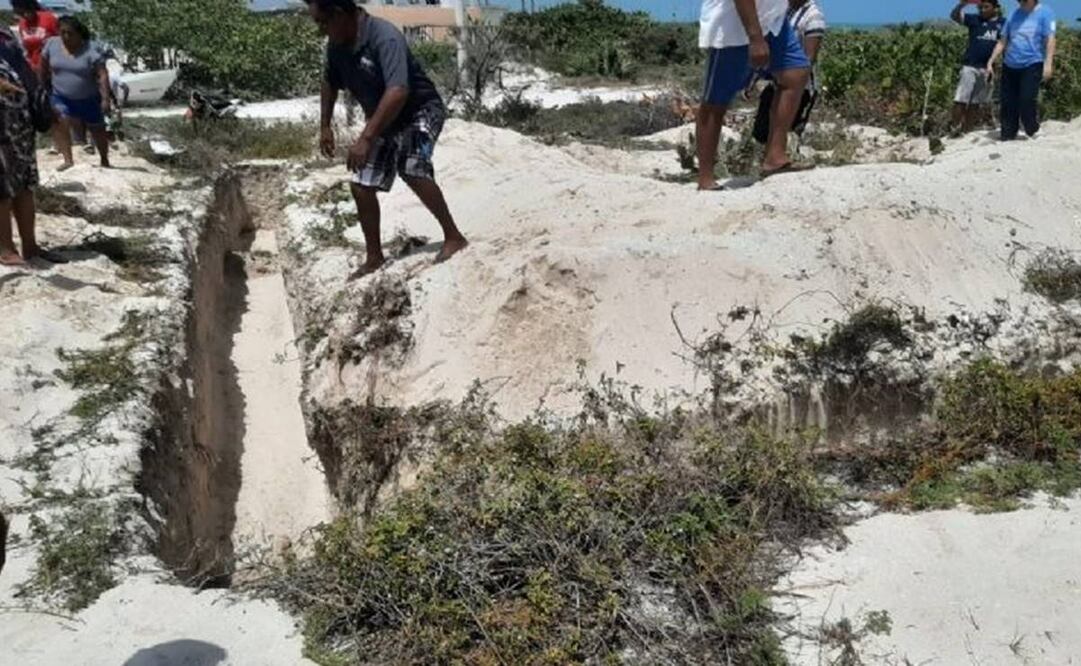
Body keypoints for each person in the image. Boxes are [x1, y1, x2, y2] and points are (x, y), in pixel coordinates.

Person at [306, 0, 467, 277]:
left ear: (341, 13)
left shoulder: (384, 36)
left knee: (412, 166)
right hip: (384, 117)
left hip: (420, 109)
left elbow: (398, 91)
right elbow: (329, 82)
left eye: (323, 22)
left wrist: (366, 137)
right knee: (361, 185)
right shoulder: (336, 45)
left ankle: (454, 237)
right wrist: (324, 126)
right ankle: (374, 257)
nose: (321, 30)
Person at [697, 0, 812, 190]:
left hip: (773, 21)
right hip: (734, 27)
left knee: (795, 73)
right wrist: (756, 38)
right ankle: (705, 178)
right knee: (715, 102)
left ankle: (775, 156)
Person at [0, 26, 65, 266]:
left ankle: (31, 246)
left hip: (21, 123)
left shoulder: (5, 34)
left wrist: (43, 103)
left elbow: (26, 71)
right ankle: (6, 249)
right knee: (2, 190)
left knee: (25, 184)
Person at [751, 0, 826, 146]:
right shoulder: (785, 11)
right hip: (776, 83)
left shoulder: (813, 17)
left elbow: (808, 60)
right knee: (761, 134)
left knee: (785, 134)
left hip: (799, 89)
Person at [41, 15, 111, 170]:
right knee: (60, 121)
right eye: (63, 32)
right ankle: (67, 159)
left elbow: (102, 74)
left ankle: (105, 159)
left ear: (79, 34)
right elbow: (43, 67)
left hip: (89, 98)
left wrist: (105, 98)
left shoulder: (91, 49)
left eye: (70, 33)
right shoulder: (51, 44)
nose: (66, 36)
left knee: (98, 129)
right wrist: (42, 89)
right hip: (60, 95)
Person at [987, 0, 1056, 140]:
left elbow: (1050, 38)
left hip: (1032, 62)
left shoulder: (1046, 13)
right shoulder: (1014, 13)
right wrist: (991, 61)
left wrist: (1048, 63)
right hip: (1010, 64)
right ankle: (1008, 134)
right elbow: (1003, 40)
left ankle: (1032, 129)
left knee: (1027, 99)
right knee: (1007, 102)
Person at [949, 0, 1004, 135]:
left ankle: (966, 131)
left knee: (976, 103)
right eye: (980, 7)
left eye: (986, 7)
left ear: (995, 8)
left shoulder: (1003, 23)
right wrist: (962, 4)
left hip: (987, 69)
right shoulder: (974, 19)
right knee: (961, 99)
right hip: (970, 66)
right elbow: (954, 16)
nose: (982, 10)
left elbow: (1006, 42)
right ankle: (954, 129)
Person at [11, 0, 59, 80]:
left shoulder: (49, 18)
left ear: (32, 7)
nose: (24, 16)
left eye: (25, 12)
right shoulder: (22, 24)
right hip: (33, 70)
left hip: (52, 69)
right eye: (20, 14)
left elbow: (61, 43)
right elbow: (27, 49)